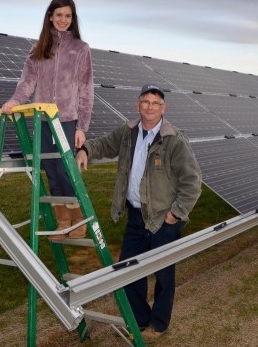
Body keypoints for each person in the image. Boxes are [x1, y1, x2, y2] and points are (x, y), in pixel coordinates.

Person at [75, 83, 202, 343]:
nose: (150, 107)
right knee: (128, 272)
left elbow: (192, 182)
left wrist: (175, 215)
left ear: (163, 108)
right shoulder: (128, 132)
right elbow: (105, 144)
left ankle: (158, 324)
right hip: (135, 217)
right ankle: (141, 320)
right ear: (138, 104)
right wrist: (86, 149)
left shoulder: (174, 139)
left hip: (164, 220)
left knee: (164, 276)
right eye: (146, 101)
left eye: (156, 103)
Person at [1, 0, 94, 239]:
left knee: (65, 169)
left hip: (67, 119)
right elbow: (27, 82)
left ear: (73, 19)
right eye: (59, 15)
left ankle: (78, 219)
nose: (63, 20)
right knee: (51, 170)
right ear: (50, 16)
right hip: (42, 120)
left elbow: (86, 89)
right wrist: (14, 101)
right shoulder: (38, 48)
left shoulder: (81, 49)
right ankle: (63, 221)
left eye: (68, 16)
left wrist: (82, 126)